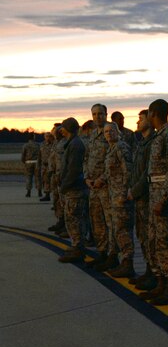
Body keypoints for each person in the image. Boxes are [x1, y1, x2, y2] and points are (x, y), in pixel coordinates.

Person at [139, 99, 168, 306]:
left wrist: (163, 199)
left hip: (163, 200)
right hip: (154, 196)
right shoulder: (159, 136)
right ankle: (161, 283)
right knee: (156, 242)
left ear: (153, 114)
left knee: (166, 244)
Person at [102, 123, 136, 278]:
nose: (109, 134)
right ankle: (123, 261)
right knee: (117, 229)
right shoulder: (112, 148)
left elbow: (128, 171)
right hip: (113, 195)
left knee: (123, 230)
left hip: (120, 197)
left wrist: (124, 193)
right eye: (106, 132)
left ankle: (128, 263)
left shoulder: (121, 147)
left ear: (118, 132)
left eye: (111, 131)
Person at [84, 104, 115, 271]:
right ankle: (102, 253)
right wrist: (86, 178)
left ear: (106, 114)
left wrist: (102, 179)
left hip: (106, 186)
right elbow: (86, 158)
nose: (97, 117)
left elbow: (114, 159)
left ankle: (112, 255)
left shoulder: (111, 131)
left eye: (100, 114)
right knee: (96, 221)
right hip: (93, 186)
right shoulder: (92, 134)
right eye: (94, 114)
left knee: (109, 222)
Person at [129, 110, 155, 288]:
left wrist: (135, 191)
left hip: (146, 198)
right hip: (139, 199)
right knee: (143, 237)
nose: (137, 122)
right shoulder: (142, 143)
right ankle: (148, 270)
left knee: (150, 238)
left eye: (141, 119)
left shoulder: (153, 143)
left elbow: (148, 173)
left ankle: (153, 273)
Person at [57, 117, 89, 263]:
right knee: (72, 220)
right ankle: (76, 246)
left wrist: (64, 186)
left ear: (68, 128)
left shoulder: (75, 145)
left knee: (74, 220)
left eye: (63, 127)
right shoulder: (72, 143)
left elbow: (73, 170)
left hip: (74, 190)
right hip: (72, 188)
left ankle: (78, 249)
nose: (60, 130)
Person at [39, 131, 54, 201]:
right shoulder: (42, 145)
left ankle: (54, 196)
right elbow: (39, 155)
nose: (47, 138)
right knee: (45, 180)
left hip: (51, 166)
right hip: (44, 166)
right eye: (46, 136)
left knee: (53, 181)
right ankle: (47, 194)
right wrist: (38, 165)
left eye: (49, 136)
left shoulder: (53, 145)